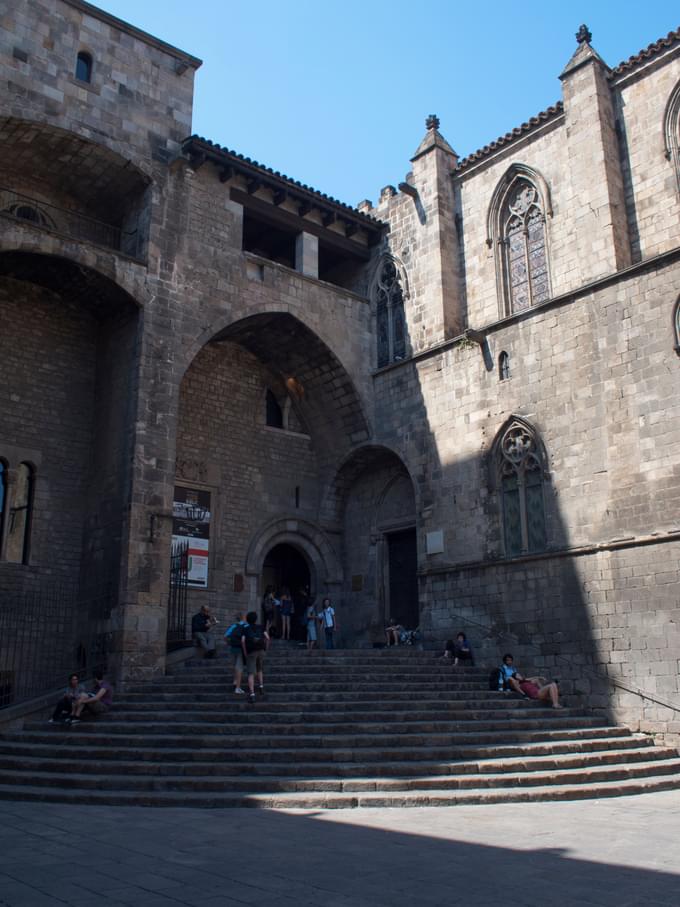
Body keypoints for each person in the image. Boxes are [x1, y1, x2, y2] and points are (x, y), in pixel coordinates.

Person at [498, 653, 563, 709]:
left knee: (553, 684)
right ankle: (555, 704)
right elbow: (510, 680)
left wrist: (539, 677)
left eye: (519, 674)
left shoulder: (523, 679)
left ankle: (555, 702)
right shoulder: (518, 683)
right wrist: (523, 694)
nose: (519, 675)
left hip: (538, 691)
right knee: (551, 685)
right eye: (518, 675)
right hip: (535, 694)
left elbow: (531, 678)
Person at [241, 610, 270, 703]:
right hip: (261, 650)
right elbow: (268, 638)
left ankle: (252, 694)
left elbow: (242, 641)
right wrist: (266, 648)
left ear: (247, 620)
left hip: (251, 652)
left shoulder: (245, 628)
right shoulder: (261, 627)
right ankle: (261, 687)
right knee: (259, 669)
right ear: (256, 619)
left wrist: (245, 652)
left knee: (250, 673)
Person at [224, 612, 248, 695]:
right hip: (240, 649)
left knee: (235, 666)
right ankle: (237, 687)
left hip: (233, 648)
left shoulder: (233, 626)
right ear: (243, 617)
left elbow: (225, 636)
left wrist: (228, 643)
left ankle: (235, 681)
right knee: (239, 668)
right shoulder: (245, 626)